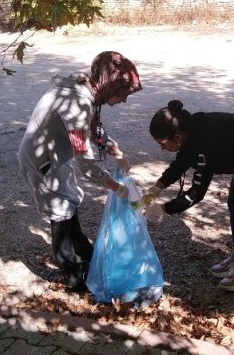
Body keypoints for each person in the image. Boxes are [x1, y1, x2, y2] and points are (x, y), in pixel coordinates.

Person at [18, 51, 142, 291]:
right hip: (42, 160)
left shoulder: (88, 90)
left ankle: (85, 253)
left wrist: (113, 148)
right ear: (110, 86)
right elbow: (85, 164)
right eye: (124, 94)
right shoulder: (77, 103)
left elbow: (93, 129)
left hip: (55, 155)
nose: (125, 101)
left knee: (69, 203)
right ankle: (74, 276)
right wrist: (116, 188)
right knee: (60, 211)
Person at [143, 100, 234, 292]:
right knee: (233, 204)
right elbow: (180, 164)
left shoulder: (206, 145)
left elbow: (196, 194)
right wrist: (156, 188)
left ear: (177, 137)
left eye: (162, 144)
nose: (161, 148)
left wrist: (164, 209)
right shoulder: (189, 132)